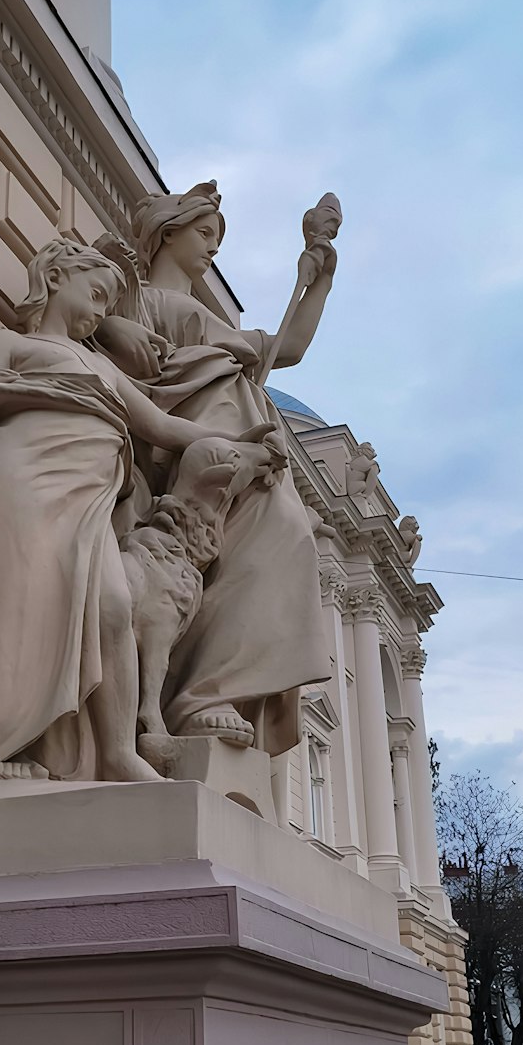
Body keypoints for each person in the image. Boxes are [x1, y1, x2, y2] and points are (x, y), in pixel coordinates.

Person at [0, 238, 275, 785]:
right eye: (96, 294)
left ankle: (119, 752)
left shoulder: (102, 366)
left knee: (113, 604)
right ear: (55, 278)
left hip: (90, 495)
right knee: (17, 605)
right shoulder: (10, 344)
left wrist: (243, 445)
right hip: (23, 478)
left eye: (106, 304)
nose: (100, 313)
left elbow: (164, 428)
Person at [94, 182, 334, 754]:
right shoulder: (140, 302)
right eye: (204, 234)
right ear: (166, 233)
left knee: (287, 543)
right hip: (202, 453)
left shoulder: (205, 316)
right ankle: (200, 697)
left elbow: (291, 346)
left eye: (218, 239)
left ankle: (215, 690)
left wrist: (319, 277)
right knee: (244, 558)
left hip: (249, 449)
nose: (212, 249)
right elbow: (83, 327)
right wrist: (110, 325)